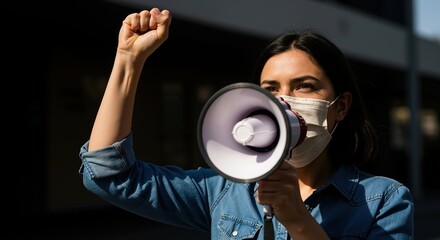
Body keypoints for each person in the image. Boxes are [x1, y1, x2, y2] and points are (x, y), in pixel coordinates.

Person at [79, 8, 414, 240]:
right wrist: (129, 60)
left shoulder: (383, 201)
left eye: (304, 86)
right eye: (270, 89)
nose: (284, 101)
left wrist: (297, 220)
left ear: (340, 107)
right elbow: (110, 177)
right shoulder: (225, 191)